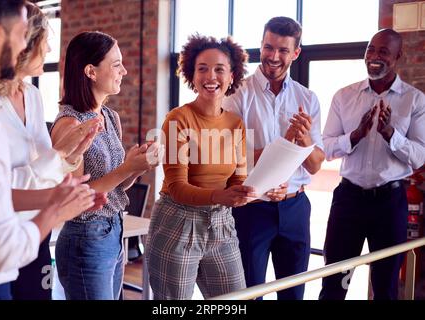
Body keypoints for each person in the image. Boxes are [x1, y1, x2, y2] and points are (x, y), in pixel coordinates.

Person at [0, 0, 104, 300]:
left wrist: (66, 157)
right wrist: (55, 207)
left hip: (29, 238)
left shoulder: (30, 96)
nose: (37, 48)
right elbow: (0, 243)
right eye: (24, 35)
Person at [146, 34, 266, 300]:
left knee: (234, 301)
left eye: (219, 69)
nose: (211, 76)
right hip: (177, 222)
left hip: (222, 222)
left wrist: (247, 192)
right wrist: (219, 195)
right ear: (192, 74)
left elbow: (238, 178)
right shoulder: (178, 119)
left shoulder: (236, 124)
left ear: (232, 75)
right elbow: (177, 187)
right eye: (202, 68)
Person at [50, 31, 161, 300]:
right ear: (90, 71)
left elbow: (116, 185)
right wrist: (126, 168)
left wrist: (136, 166)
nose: (124, 70)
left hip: (114, 230)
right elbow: (79, 196)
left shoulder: (111, 117)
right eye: (116, 64)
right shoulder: (69, 124)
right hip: (85, 236)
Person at [223, 16, 325, 300]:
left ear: (296, 53)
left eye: (283, 50)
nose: (274, 56)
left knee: (293, 294)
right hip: (251, 210)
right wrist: (275, 156)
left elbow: (315, 165)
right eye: (269, 47)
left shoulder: (308, 98)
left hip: (296, 209)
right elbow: (226, 155)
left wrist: (303, 139)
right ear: (261, 45)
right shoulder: (237, 94)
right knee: (248, 293)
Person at [320, 29, 425, 300]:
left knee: (386, 287)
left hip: (389, 204)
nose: (374, 57)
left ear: (398, 56)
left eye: (383, 52)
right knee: (334, 283)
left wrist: (391, 134)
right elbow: (327, 147)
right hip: (348, 201)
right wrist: (355, 136)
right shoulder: (344, 96)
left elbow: (419, 156)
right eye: (370, 50)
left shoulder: (415, 101)